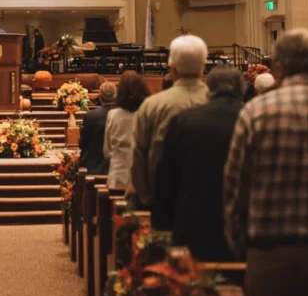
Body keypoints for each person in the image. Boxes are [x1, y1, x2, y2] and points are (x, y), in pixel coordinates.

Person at [224, 29, 308, 296]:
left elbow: (234, 195)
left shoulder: (254, 114)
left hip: (271, 257)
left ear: (279, 68)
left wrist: (247, 251)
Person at [153, 66, 245, 261]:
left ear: (208, 87)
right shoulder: (253, 118)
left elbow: (166, 177)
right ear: (241, 88)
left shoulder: (184, 120)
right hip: (244, 231)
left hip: (194, 225)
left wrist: (165, 224)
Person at [130, 35, 209, 207]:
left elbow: (138, 155)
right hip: (211, 201)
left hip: (162, 201)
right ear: (203, 66)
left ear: (172, 67)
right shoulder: (216, 101)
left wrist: (145, 198)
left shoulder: (152, 105)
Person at [103, 72, 150, 191]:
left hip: (118, 176)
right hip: (142, 179)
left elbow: (107, 150)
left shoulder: (113, 115)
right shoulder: (147, 114)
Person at [79, 81, 116, 175]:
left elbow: (83, 142)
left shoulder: (92, 115)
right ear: (115, 96)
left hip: (94, 166)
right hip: (116, 165)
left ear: (100, 96)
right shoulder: (121, 115)